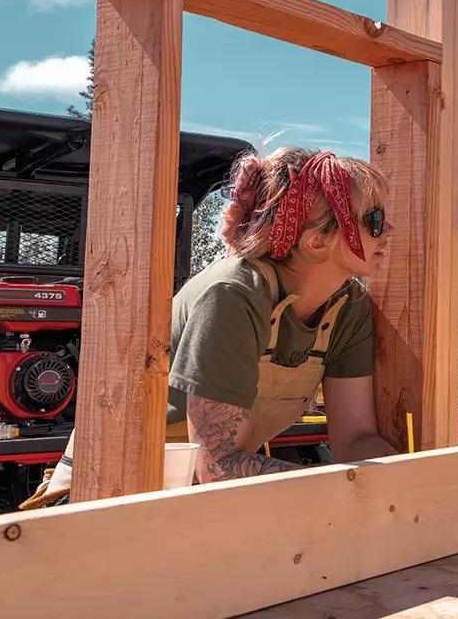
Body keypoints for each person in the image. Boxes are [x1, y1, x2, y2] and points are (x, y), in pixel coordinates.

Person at [22, 148, 398, 507]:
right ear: (316, 241)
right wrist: (346, 489)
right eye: (375, 220)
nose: (389, 229)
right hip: (100, 499)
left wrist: (411, 480)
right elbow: (219, 466)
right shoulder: (232, 296)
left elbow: (356, 439)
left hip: (192, 497)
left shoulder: (348, 309)